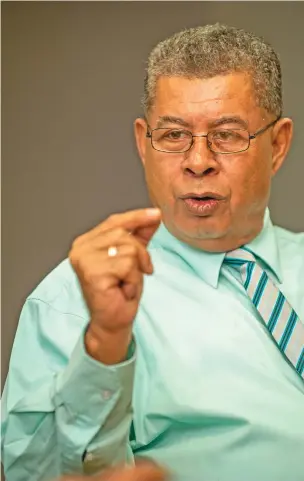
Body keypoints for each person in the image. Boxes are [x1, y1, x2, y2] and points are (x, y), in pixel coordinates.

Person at [1, 23, 304, 481]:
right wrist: (104, 343)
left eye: (226, 135)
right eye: (174, 135)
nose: (198, 161)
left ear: (277, 145)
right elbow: (32, 474)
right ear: (144, 143)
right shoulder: (76, 299)